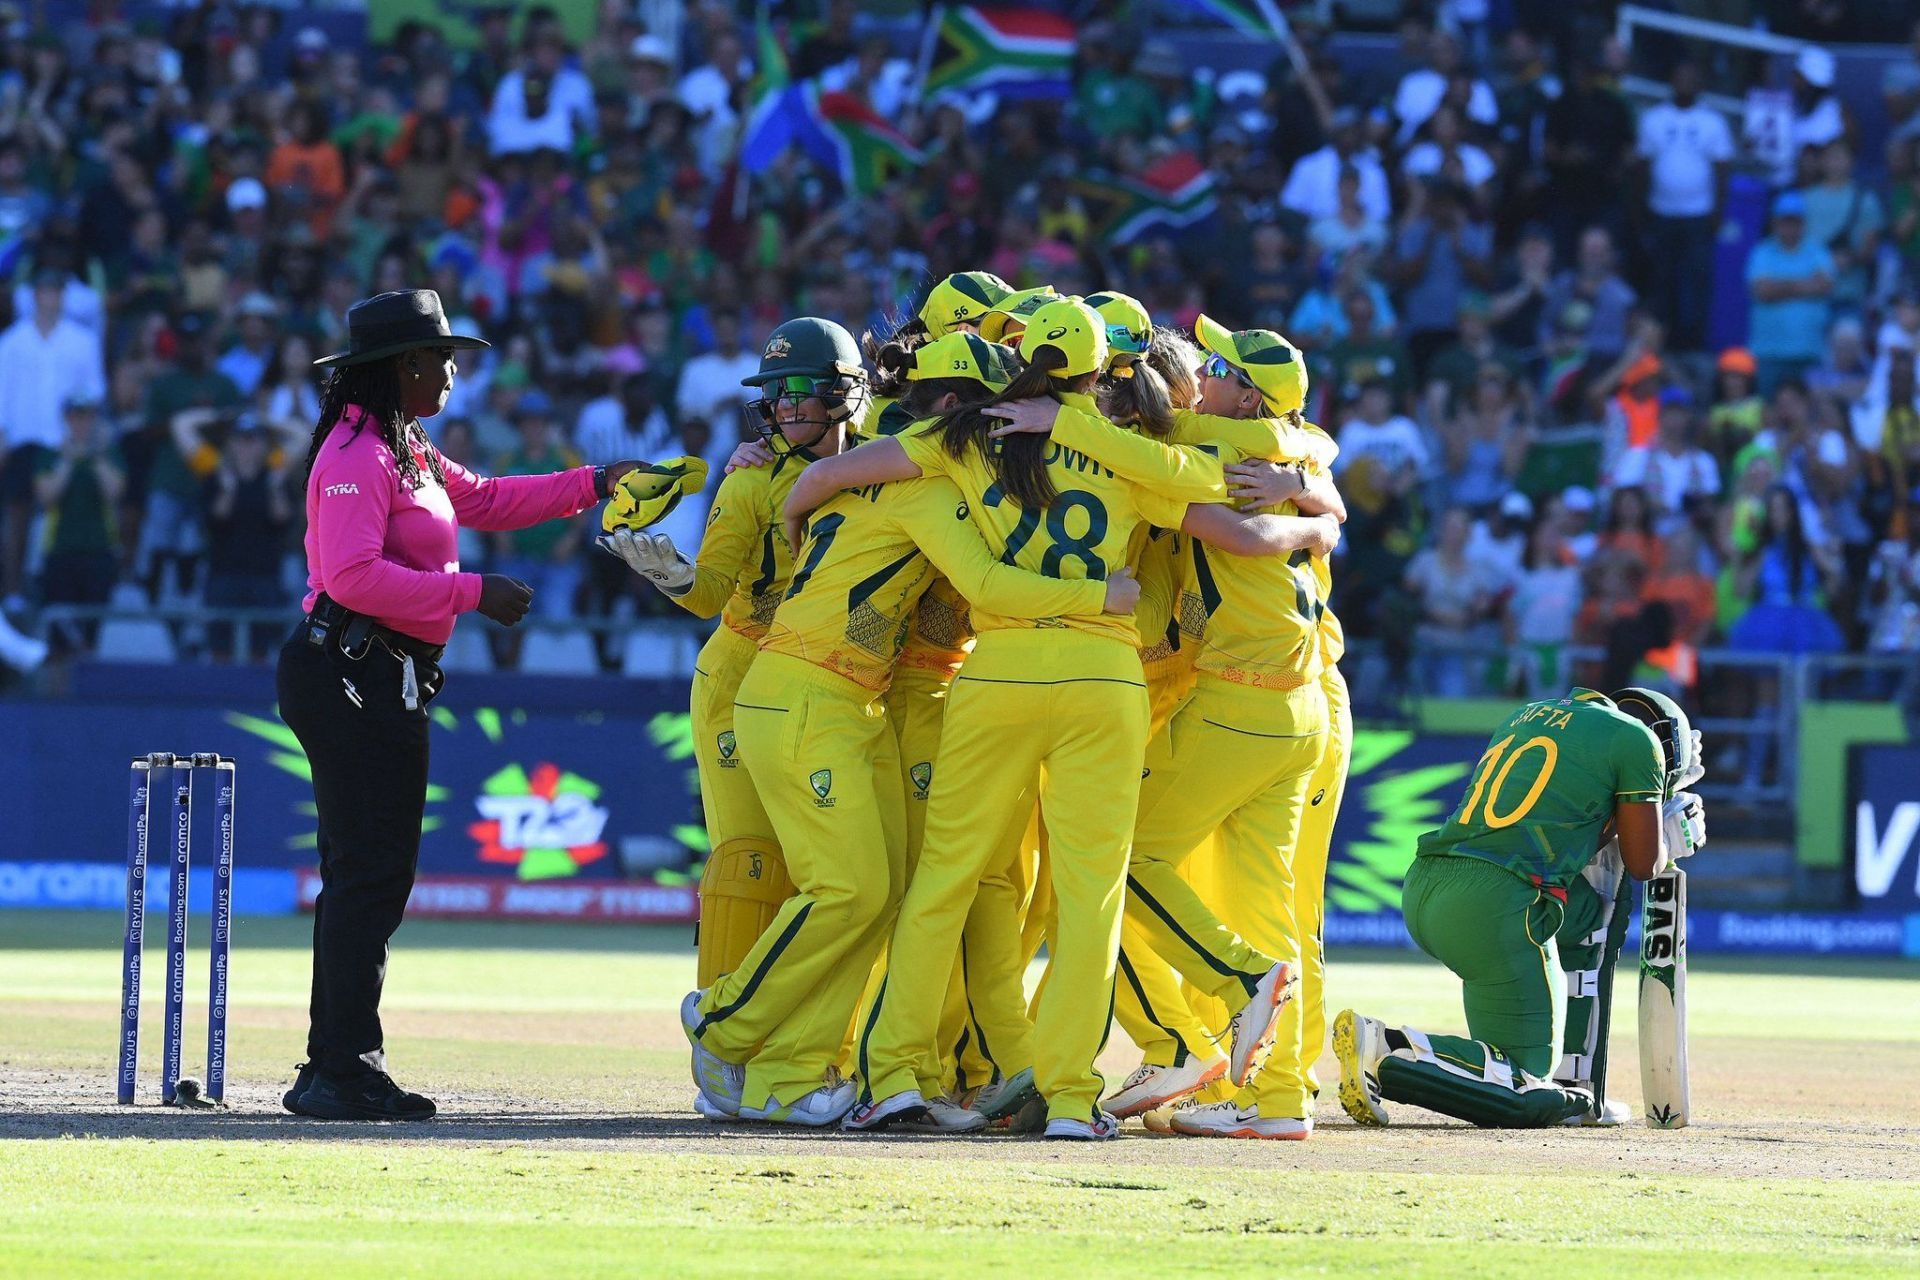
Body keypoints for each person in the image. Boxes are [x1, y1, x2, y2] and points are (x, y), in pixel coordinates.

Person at [790, 300, 1336, 1138]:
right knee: (1093, 895)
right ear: (1100, 369)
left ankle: (896, 1071)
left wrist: (791, 521)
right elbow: (1212, 498)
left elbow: (833, 475)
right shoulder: (1127, 448)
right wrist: (1312, 494)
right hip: (1105, 680)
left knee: (945, 880)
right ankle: (1074, 1099)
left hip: (998, 672)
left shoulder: (966, 434)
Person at [673, 334, 1136, 1128]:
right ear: (959, 413)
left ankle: (785, 1074)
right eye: (995, 415)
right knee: (848, 889)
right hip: (804, 695)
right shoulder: (927, 488)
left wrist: (794, 493)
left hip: (846, 700)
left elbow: (813, 480)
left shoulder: (882, 465)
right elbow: (986, 582)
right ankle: (724, 1021)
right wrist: (1106, 595)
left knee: (876, 898)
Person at [277, 289, 639, 1120]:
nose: (451, 373)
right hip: (348, 669)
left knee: (366, 874)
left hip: (370, 671)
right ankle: (339, 1068)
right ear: (405, 365)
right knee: (369, 873)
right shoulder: (356, 457)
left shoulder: (401, 444)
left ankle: (335, 1064)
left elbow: (485, 499)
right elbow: (352, 579)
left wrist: (594, 482)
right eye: (443, 358)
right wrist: (474, 592)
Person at [601, 318, 866, 993]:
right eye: (775, 390)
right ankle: (722, 1038)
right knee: (749, 860)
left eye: (799, 386)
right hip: (744, 668)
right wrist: (671, 575)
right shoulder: (751, 481)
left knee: (842, 873)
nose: (784, 404)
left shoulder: (886, 464)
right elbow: (709, 594)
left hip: (844, 680)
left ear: (844, 390)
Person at [1334, 688, 1706, 1128]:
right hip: (1497, 904)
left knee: (1583, 916)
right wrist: (1669, 835)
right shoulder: (1637, 742)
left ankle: (1577, 1088)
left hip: (1427, 884)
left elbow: (1559, 820)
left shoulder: (1528, 714)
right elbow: (1644, 865)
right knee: (1527, 1084)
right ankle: (1386, 1047)